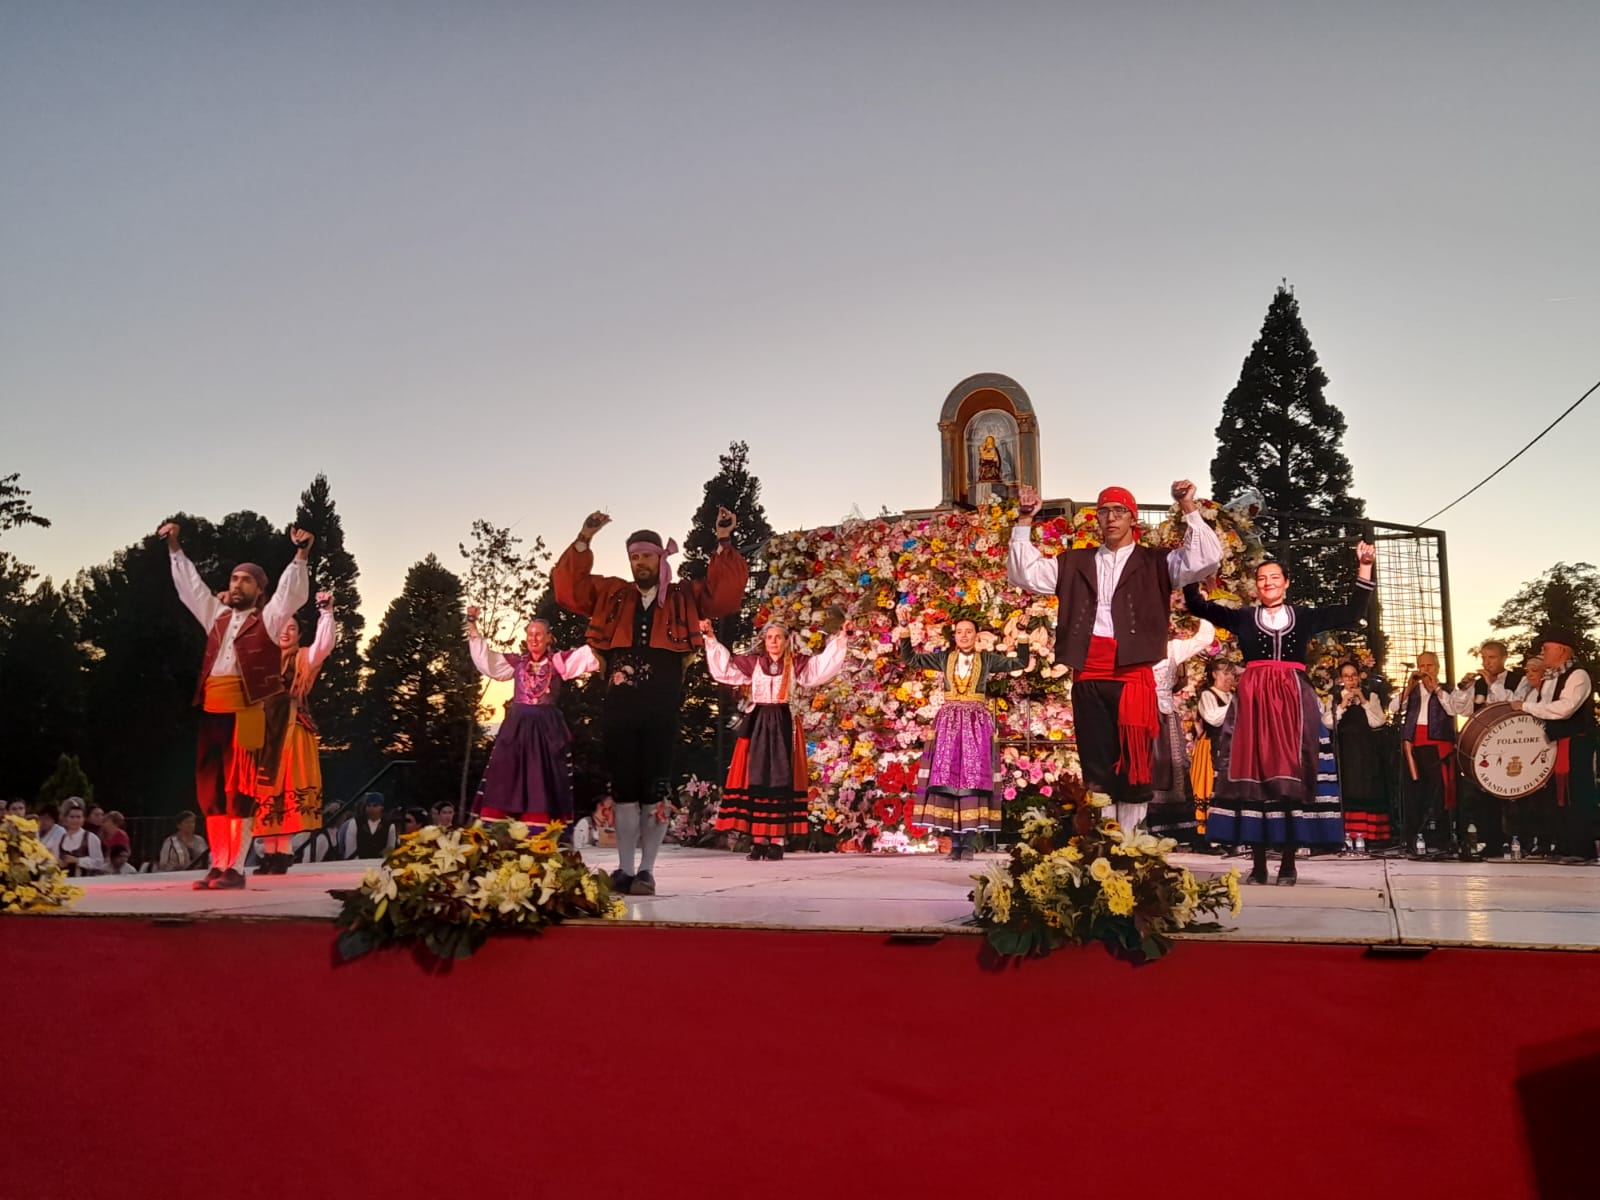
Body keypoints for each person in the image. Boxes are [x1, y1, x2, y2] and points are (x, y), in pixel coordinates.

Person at [554, 506, 749, 897]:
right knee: (624, 789)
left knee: (655, 788)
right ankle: (624, 870)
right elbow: (570, 589)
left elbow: (724, 595)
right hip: (618, 706)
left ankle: (647, 870)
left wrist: (723, 541)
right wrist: (584, 538)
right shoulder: (613, 592)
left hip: (661, 705)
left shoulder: (683, 596)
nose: (639, 562)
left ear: (660, 557)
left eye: (645, 555)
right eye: (634, 557)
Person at [1008, 480, 1223, 833]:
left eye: (1119, 511)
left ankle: (1131, 845)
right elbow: (1024, 573)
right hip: (1089, 672)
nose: (1110, 518)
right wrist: (1024, 520)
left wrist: (1187, 506)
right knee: (1098, 766)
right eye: (1104, 511)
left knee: (1134, 765)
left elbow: (1206, 558)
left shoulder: (1157, 562)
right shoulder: (1075, 562)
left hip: (1133, 673)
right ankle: (1106, 845)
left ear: (1132, 519)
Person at [1182, 542, 1376, 884]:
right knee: (1253, 779)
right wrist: (1192, 569)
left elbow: (1351, 611)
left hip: (1291, 704)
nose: (1268, 582)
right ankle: (1258, 864)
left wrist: (1364, 566)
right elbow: (1197, 604)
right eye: (1261, 578)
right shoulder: (1243, 617)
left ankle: (1288, 863)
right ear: (1257, 586)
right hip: (1254, 703)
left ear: (1286, 583)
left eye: (1274, 577)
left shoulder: (1304, 616)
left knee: (1290, 777)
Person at [160, 519, 312, 890]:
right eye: (233, 578)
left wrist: (301, 554)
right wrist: (175, 548)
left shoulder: (269, 620)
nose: (236, 584)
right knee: (210, 790)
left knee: (239, 791)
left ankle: (236, 868)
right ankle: (218, 864)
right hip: (213, 711)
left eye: (245, 579)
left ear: (260, 589)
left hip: (246, 714)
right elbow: (190, 588)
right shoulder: (216, 617)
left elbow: (291, 594)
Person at [704, 617, 854, 860]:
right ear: (764, 641)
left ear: (786, 641)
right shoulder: (753, 664)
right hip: (759, 722)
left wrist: (842, 638)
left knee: (782, 778)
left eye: (778, 637)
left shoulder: (795, 663)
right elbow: (725, 669)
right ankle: (758, 840)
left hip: (785, 723)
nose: (773, 641)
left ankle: (777, 840)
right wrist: (710, 638)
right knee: (755, 776)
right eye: (769, 637)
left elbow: (822, 667)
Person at [892, 612, 1031, 860]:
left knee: (973, 780)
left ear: (977, 636)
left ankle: (968, 844)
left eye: (969, 631)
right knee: (947, 780)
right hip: (949, 724)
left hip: (976, 724)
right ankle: (953, 843)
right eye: (959, 632)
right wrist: (904, 627)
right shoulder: (945, 658)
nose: (964, 636)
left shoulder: (986, 659)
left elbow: (1019, 662)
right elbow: (910, 658)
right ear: (954, 636)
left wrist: (1021, 632)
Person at [467, 610, 600, 829]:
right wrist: (472, 625)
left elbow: (588, 656)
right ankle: (502, 828)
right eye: (530, 635)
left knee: (543, 777)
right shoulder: (517, 663)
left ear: (549, 637)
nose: (534, 639)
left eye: (539, 634)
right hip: (517, 726)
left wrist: (604, 627)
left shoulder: (558, 662)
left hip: (546, 728)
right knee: (507, 773)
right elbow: (487, 661)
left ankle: (539, 828)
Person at [253, 590, 338, 876]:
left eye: (292, 628)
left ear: (300, 634)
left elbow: (323, 647)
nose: (286, 633)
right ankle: (270, 852)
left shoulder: (302, 658)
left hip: (291, 730)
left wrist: (326, 613)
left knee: (286, 787)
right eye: (282, 628)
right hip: (264, 732)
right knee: (267, 791)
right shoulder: (262, 660)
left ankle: (283, 852)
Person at [1512, 627, 1597, 863]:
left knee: (1576, 793)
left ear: (1561, 649)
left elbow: (1564, 708)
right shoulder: (1554, 677)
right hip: (1559, 741)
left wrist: (1526, 707)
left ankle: (1582, 849)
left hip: (1577, 741)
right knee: (1557, 794)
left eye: (1546, 648)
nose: (1543, 652)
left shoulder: (1578, 676)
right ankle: (1563, 846)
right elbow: (1546, 705)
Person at [1391, 650, 1474, 859]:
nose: (1425, 670)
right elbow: (1394, 708)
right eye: (1422, 666)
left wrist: (1435, 689)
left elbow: (1453, 709)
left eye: (1429, 666)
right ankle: (1412, 837)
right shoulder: (1412, 689)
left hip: (1438, 746)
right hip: (1414, 746)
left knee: (1439, 793)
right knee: (1414, 793)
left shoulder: (1446, 689)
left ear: (1437, 668)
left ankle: (1441, 838)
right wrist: (1409, 687)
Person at [1145, 619, 1216, 843]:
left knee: (1172, 767)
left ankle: (1175, 829)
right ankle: (1143, 825)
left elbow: (1204, 638)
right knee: (1144, 767)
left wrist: (1198, 611)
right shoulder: (1129, 646)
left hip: (1164, 715)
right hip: (1137, 714)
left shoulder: (1172, 648)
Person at [1455, 640, 1523, 858]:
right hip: (1486, 746)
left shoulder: (1516, 680)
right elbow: (1461, 710)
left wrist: (1492, 683)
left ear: (1503, 658)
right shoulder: (1478, 684)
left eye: (1491, 657)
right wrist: (1464, 689)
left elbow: (1513, 704)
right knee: (1484, 796)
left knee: (1513, 794)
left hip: (1512, 743)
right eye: (1483, 657)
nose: (1487, 662)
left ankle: (1520, 841)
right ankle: (1492, 841)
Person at [1325, 661, 1390, 854]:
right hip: (1345, 751)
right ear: (1341, 679)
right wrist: (1343, 705)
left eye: (1353, 675)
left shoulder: (1371, 696)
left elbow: (1378, 721)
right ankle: (1347, 835)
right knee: (1348, 789)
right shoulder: (1334, 698)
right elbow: (1328, 723)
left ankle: (1370, 837)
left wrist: (1363, 700)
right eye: (1346, 676)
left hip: (1366, 750)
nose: (1351, 679)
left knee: (1368, 788)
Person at [1188, 661, 1237, 850]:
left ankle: (1226, 832)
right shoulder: (1208, 695)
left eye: (1232, 674)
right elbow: (1213, 719)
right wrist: (1235, 703)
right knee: (1209, 788)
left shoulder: (1231, 695)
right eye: (1225, 673)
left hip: (1229, 749)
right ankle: (1207, 836)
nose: (1229, 678)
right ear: (1215, 674)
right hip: (1211, 748)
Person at [56, 799, 107, 876]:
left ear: (83, 819)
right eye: (72, 817)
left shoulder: (91, 838)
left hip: (85, 881)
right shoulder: (60, 838)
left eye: (78, 817)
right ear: (66, 819)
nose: (75, 820)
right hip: (64, 881)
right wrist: (59, 862)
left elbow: (99, 863)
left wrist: (77, 860)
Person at [340, 793, 397, 859]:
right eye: (368, 805)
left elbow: (389, 852)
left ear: (382, 807)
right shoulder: (355, 823)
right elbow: (350, 851)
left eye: (375, 806)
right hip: (358, 864)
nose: (371, 809)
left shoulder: (389, 826)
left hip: (379, 865)